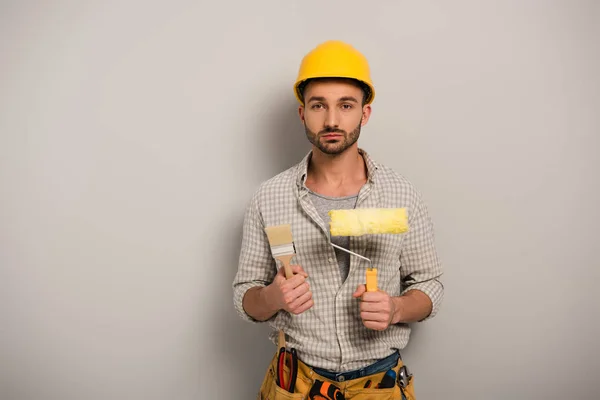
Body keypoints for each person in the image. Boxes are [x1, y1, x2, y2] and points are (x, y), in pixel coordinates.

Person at [232, 40, 444, 399]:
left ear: (365, 113)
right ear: (302, 113)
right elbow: (245, 297)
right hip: (295, 383)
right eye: (319, 106)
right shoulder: (268, 198)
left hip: (381, 383)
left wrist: (396, 308)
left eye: (346, 105)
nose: (331, 120)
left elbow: (430, 285)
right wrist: (272, 296)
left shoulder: (403, 194)